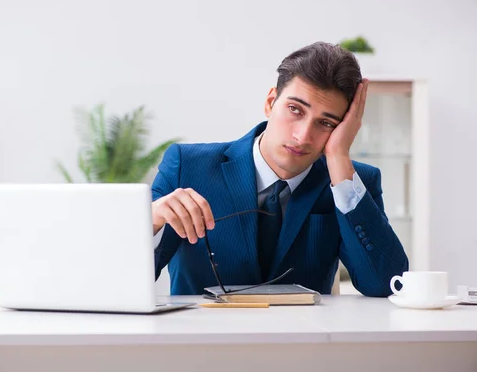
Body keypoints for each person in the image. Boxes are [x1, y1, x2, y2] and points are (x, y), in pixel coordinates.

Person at [150, 41, 409, 297]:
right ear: (270, 102)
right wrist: (150, 221)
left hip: (302, 337)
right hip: (201, 336)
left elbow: (386, 283)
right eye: (295, 109)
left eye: (326, 123)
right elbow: (122, 279)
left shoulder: (353, 182)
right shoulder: (187, 166)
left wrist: (339, 156)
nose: (303, 135)